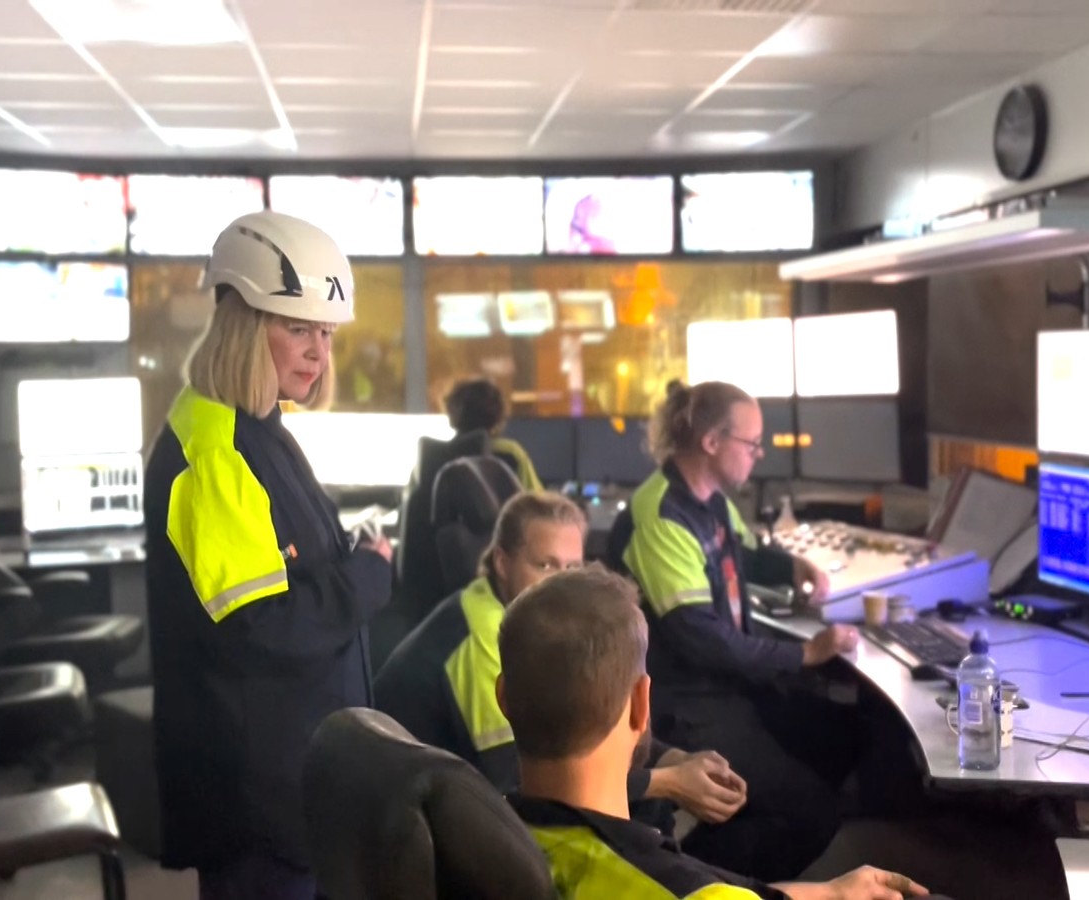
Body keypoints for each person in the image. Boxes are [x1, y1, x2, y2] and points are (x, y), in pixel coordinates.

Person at [145, 211, 395, 900]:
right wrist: (368, 574)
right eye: (297, 328)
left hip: (294, 786)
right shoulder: (215, 450)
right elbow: (263, 626)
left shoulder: (256, 429)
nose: (318, 353)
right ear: (244, 324)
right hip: (259, 806)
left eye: (326, 333)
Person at [499, 566, 927, 900]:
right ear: (642, 703)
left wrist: (830, 892)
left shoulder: (485, 830)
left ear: (503, 697)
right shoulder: (681, 889)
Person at [606, 379, 860, 882]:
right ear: (711, 442)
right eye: (752, 443)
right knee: (812, 813)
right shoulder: (662, 515)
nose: (758, 454)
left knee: (841, 733)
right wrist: (804, 655)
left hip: (729, 687)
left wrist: (791, 567)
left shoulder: (711, 502)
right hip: (685, 704)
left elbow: (742, 553)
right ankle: (690, 880)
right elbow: (701, 639)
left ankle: (740, 826)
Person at [374, 491, 748, 827]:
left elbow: (587, 723)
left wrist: (674, 760)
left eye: (573, 568)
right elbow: (520, 782)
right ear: (502, 562)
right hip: (414, 826)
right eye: (546, 565)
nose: (563, 583)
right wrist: (668, 784)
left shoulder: (534, 626)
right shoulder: (486, 639)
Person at [442, 376, 543, 491]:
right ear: (498, 415)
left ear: (451, 415)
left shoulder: (437, 455)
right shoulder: (510, 452)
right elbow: (535, 498)